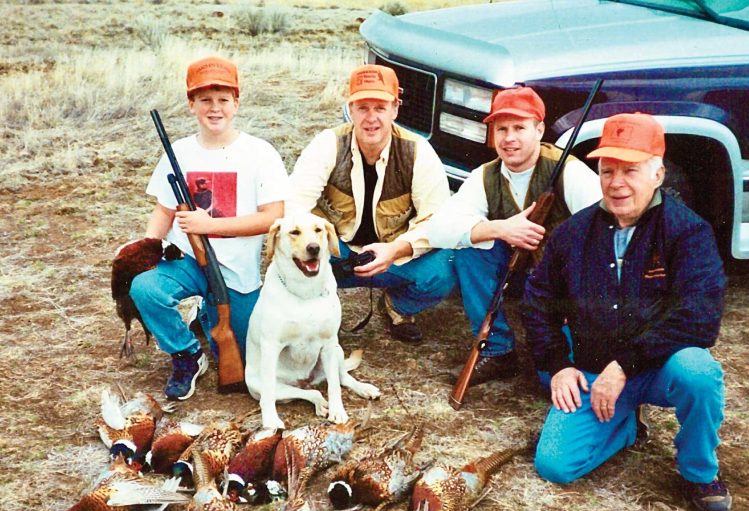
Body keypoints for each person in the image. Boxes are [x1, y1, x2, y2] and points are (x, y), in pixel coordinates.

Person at [523, 113, 731, 511]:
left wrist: (624, 366)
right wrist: (558, 364)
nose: (616, 182)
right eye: (608, 170)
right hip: (593, 370)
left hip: (657, 369)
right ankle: (625, 426)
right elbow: (538, 300)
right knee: (554, 466)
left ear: (658, 173)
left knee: (699, 372)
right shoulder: (572, 233)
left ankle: (698, 472)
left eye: (630, 170)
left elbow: (700, 316)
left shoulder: (689, 232)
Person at [130, 56, 288, 400]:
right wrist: (145, 250)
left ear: (236, 103)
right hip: (186, 260)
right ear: (191, 105)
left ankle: (206, 314)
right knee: (145, 288)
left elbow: (273, 217)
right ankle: (187, 354)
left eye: (223, 99)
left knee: (243, 361)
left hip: (237, 272)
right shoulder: (179, 152)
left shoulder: (260, 153)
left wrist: (212, 224)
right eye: (205, 100)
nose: (214, 108)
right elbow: (164, 210)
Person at [427, 86, 601, 386]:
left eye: (519, 128)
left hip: (563, 286)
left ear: (539, 130)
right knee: (469, 248)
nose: (509, 138)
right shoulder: (485, 175)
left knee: (554, 381)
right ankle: (497, 350)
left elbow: (607, 232)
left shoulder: (569, 172)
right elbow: (438, 229)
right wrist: (501, 229)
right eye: (502, 129)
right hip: (519, 276)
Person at [286, 64, 455, 343]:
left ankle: (397, 306)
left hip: (393, 257)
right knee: (293, 253)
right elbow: (294, 207)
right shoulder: (328, 143)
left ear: (395, 109)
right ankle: (311, 312)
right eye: (363, 107)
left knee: (445, 268)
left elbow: (437, 220)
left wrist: (396, 249)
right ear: (350, 109)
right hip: (337, 253)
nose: (371, 118)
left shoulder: (418, 151)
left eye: (380, 107)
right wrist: (319, 245)